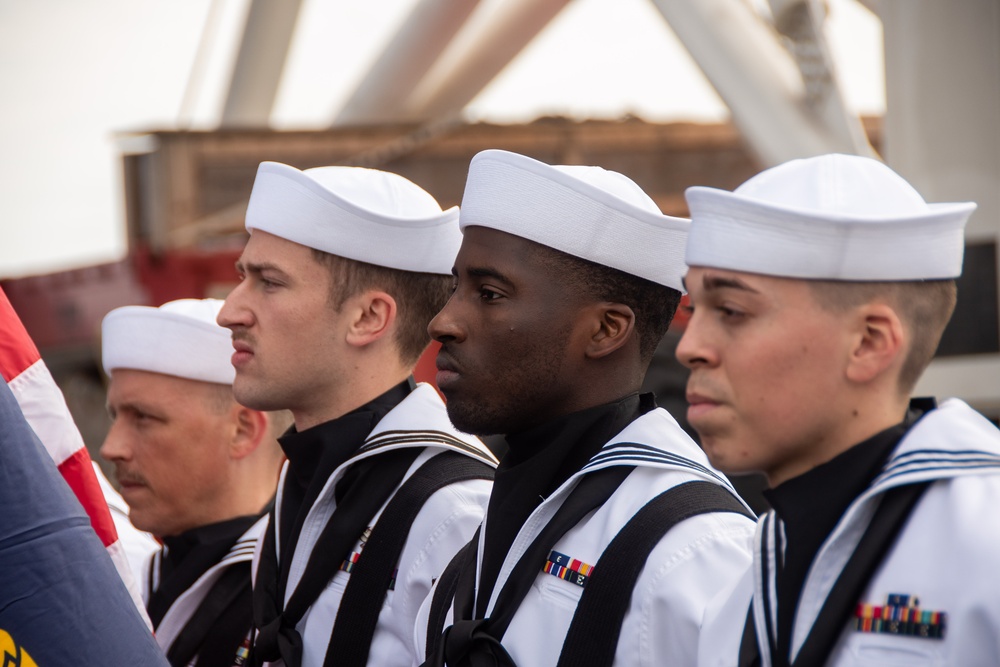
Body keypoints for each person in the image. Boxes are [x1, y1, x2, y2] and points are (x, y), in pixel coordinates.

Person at [417, 149, 757, 667]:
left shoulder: (696, 553)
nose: (443, 321)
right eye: (454, 288)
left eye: (488, 293)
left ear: (605, 330)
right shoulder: (510, 510)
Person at [679, 153, 1000, 667]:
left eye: (732, 312)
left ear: (869, 343)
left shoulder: (988, 544)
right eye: (693, 310)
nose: (689, 347)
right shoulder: (739, 588)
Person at [216, 162, 497, 667]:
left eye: (269, 282)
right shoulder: (304, 482)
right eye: (243, 277)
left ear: (369, 318)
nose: (229, 311)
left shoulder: (453, 513)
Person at [100, 298, 288, 667]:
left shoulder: (296, 595)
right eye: (115, 416)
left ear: (241, 430)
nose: (111, 447)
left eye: (144, 418)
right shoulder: (134, 580)